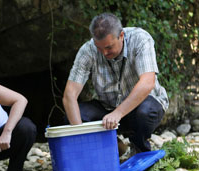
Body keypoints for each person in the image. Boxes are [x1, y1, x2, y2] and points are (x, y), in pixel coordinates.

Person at [63, 12, 169, 154]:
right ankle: (113, 146)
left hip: (142, 106)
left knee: (145, 112)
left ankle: (139, 149)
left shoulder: (140, 39)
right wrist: (81, 137)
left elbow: (147, 83)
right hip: (107, 109)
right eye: (99, 48)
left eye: (108, 47)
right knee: (72, 116)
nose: (104, 53)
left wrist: (118, 113)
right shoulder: (87, 50)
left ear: (121, 36)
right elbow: (69, 95)